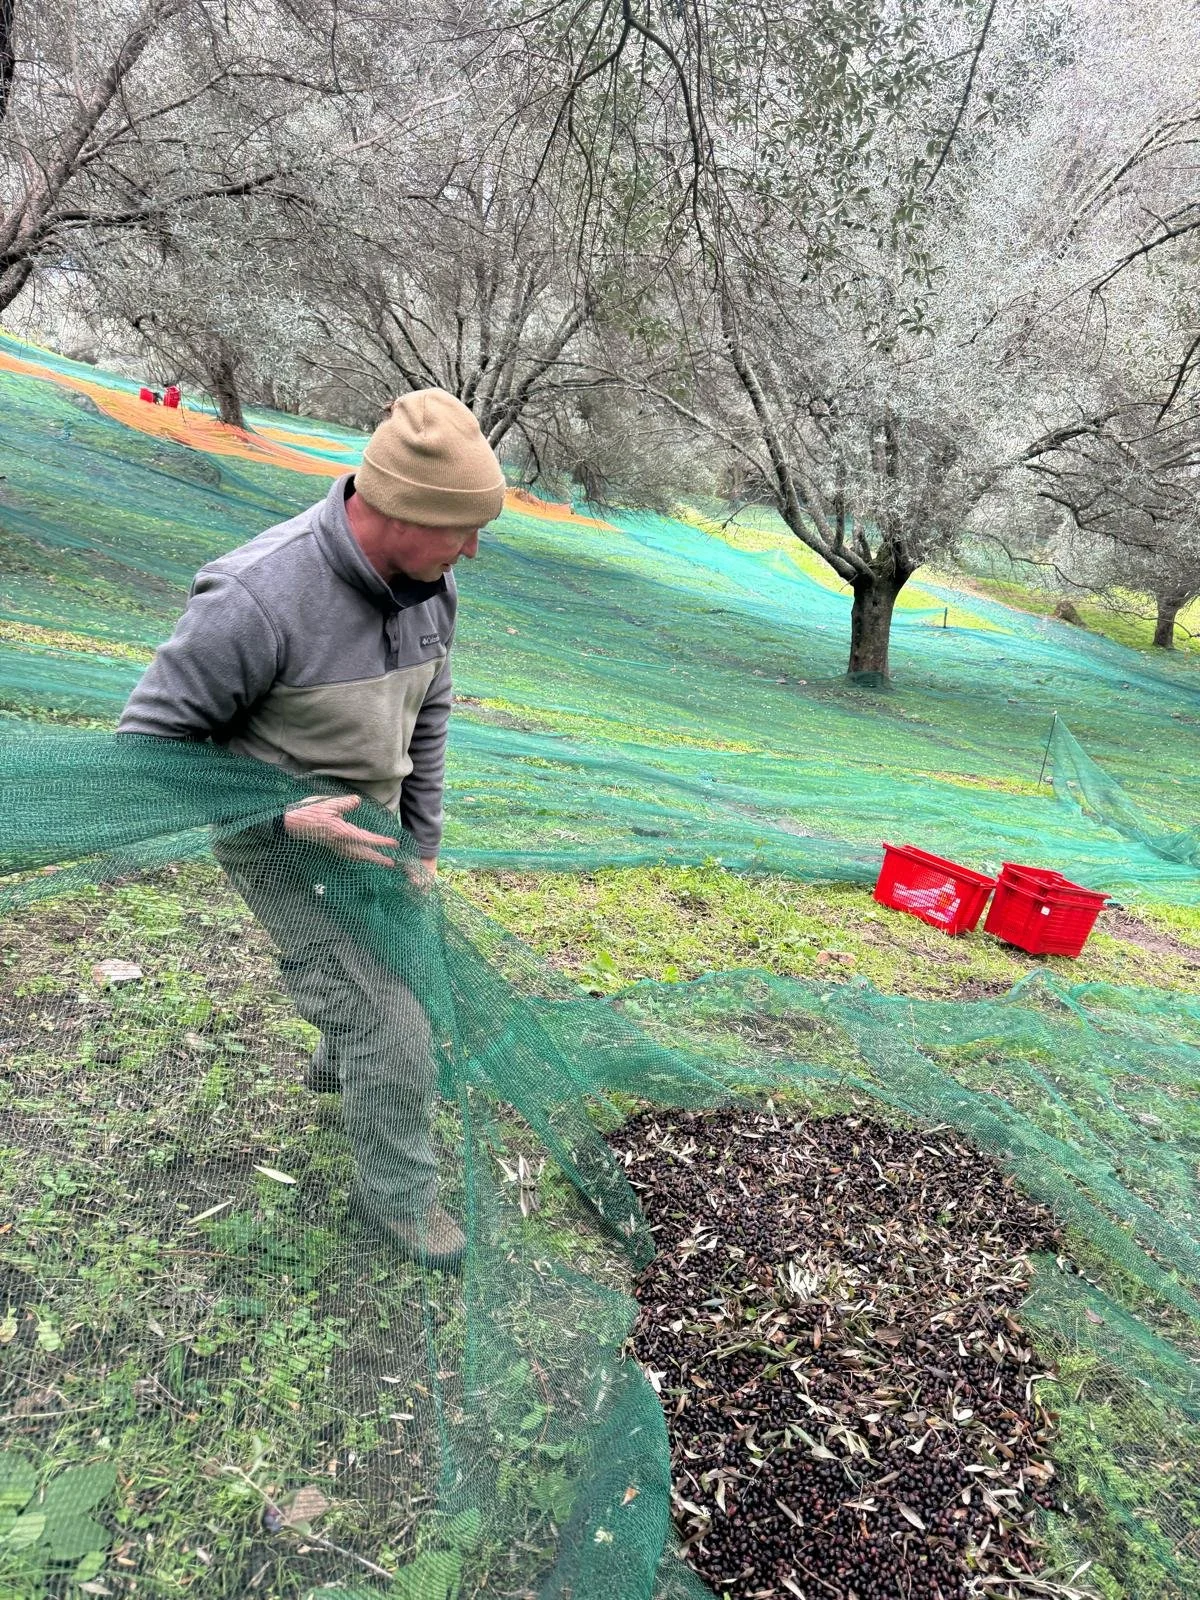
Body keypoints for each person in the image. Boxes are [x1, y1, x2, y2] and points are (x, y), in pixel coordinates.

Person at [117, 388, 507, 1268]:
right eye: (463, 529)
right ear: (401, 512)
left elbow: (430, 713)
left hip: (375, 833)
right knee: (397, 1034)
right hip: (276, 839)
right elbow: (145, 748)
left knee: (403, 969)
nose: (474, 551)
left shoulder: (429, 587)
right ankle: (401, 1205)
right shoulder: (255, 597)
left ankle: (342, 1059)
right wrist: (278, 814)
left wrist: (426, 839)